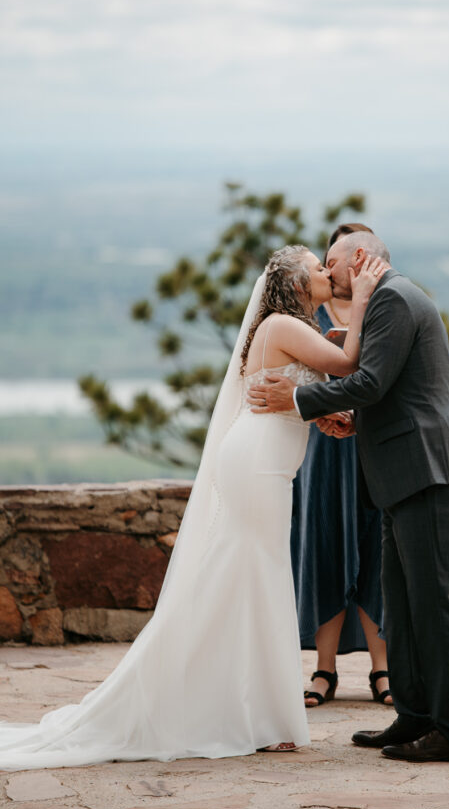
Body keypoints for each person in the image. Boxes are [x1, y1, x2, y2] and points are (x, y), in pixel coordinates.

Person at [0, 245, 387, 770]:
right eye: (318, 269)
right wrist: (362, 298)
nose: (326, 274)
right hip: (257, 465)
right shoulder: (282, 325)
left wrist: (320, 416)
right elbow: (345, 362)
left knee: (253, 577)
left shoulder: (288, 329)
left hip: (265, 464)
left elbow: (309, 384)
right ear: (299, 285)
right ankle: (245, 712)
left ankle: (255, 713)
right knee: (251, 573)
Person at [249, 232, 449, 763]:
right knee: (401, 607)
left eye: (331, 263)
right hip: (400, 473)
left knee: (435, 606)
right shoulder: (384, 300)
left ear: (358, 258)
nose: (329, 275)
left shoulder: (394, 300)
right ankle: (414, 716)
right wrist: (350, 421)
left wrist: (299, 398)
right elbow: (393, 394)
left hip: (427, 470)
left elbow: (373, 381)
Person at [292, 222, 392, 709]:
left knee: (376, 549)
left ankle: (383, 669)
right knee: (324, 546)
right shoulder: (309, 318)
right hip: (325, 449)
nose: (335, 268)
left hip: (370, 443)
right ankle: (323, 669)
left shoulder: (385, 309)